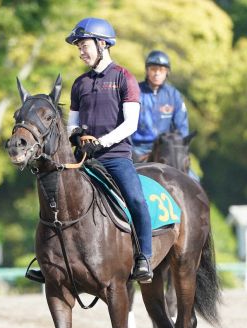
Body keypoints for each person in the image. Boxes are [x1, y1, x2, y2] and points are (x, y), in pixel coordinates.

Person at [66, 17, 153, 283]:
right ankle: (52, 260)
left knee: (137, 200)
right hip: (84, 158)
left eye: (84, 45)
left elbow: (131, 124)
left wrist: (101, 143)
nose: (81, 51)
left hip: (115, 158)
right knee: (54, 195)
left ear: (102, 43)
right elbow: (71, 124)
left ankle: (144, 258)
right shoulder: (79, 83)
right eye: (79, 47)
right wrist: (77, 136)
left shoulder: (123, 77)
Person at [131, 50, 189, 158]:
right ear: (147, 70)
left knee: (192, 175)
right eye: (153, 69)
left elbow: (182, 129)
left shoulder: (174, 95)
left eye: (161, 70)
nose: (157, 73)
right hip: (137, 149)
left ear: (167, 72)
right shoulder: (134, 91)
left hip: (165, 150)